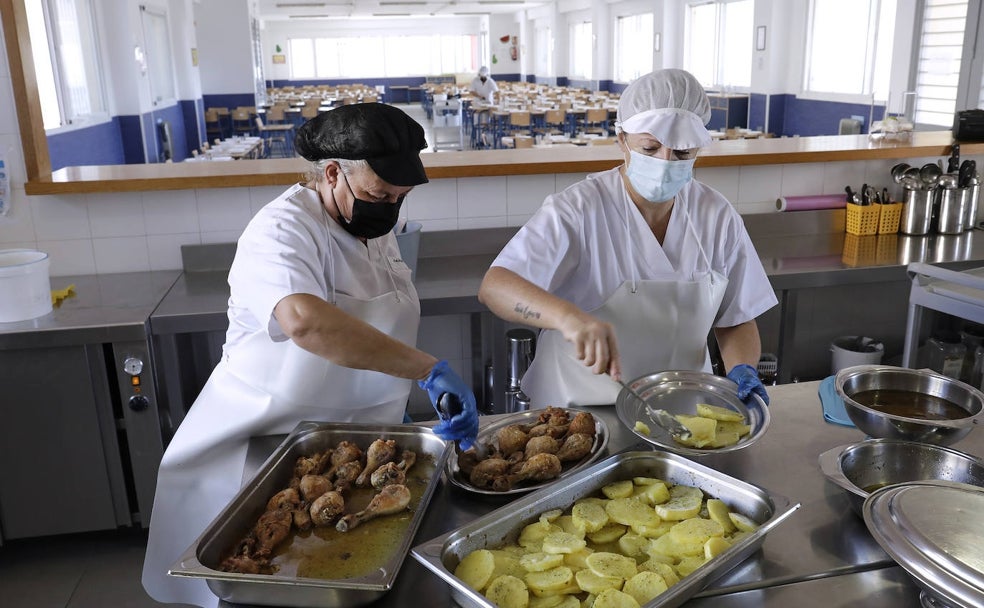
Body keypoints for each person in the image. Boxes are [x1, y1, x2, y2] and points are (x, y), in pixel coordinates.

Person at [142, 103, 479, 607]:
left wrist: (392, 403)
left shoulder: (372, 227)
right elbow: (306, 321)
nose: (388, 208)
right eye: (378, 194)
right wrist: (425, 370)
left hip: (347, 441)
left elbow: (371, 326)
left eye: (399, 198)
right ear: (332, 172)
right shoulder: (280, 229)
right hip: (260, 443)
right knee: (253, 579)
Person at [477, 69, 777, 408]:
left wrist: (742, 369)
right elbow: (495, 286)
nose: (665, 163)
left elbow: (735, 318)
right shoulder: (579, 209)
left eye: (681, 154)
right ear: (622, 140)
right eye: (650, 148)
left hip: (680, 409)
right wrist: (567, 317)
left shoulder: (716, 215)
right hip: (579, 409)